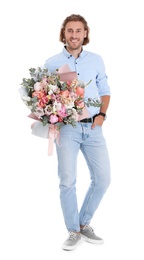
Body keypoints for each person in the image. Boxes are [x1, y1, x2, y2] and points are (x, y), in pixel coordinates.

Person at [44, 14, 111, 251]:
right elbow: (44, 96)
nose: (74, 35)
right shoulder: (51, 63)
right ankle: (73, 230)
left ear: (85, 33)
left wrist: (102, 115)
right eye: (70, 31)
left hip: (93, 128)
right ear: (64, 33)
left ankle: (84, 224)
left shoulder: (96, 60)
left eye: (78, 31)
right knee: (67, 181)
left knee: (103, 179)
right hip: (68, 129)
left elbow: (104, 89)